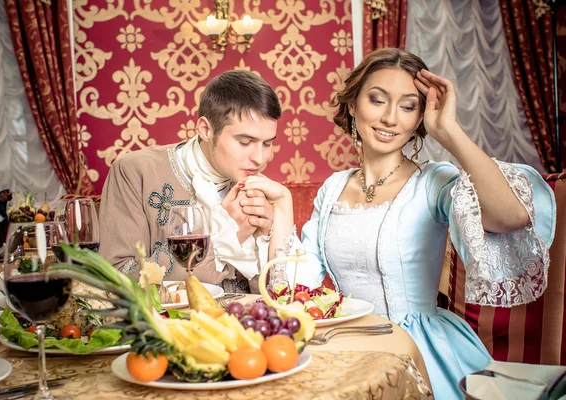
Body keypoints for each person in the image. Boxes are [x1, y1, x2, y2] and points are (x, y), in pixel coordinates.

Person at [246, 48, 556, 399]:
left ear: (420, 118)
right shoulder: (333, 188)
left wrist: (449, 131)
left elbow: (512, 216)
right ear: (353, 105)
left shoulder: (434, 182)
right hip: (345, 344)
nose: (391, 118)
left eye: (408, 106)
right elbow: (291, 291)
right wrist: (282, 210)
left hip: (418, 348)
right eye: (377, 100)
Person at [99, 70, 293, 293]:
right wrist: (222, 240)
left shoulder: (258, 187)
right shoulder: (135, 171)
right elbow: (115, 277)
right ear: (206, 129)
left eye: (267, 144)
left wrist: (267, 236)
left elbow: (280, 297)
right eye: (245, 142)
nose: (260, 158)